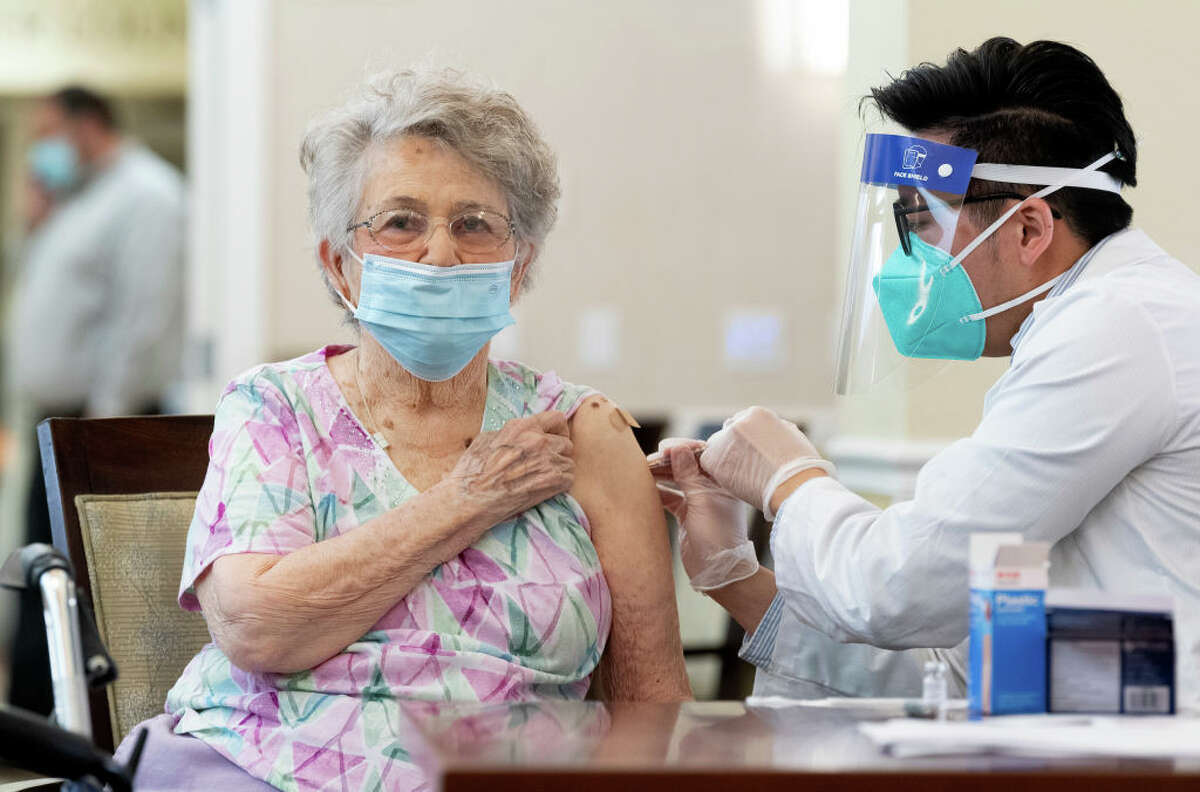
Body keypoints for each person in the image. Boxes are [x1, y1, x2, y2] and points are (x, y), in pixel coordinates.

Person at [115, 68, 691, 791]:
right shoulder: (273, 407)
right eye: (401, 222)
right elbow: (256, 627)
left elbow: (650, 704)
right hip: (259, 767)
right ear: (341, 266)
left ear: (519, 266)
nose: (441, 253)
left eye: (475, 224)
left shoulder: (583, 433)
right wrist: (468, 498)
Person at [654, 38, 1200, 710]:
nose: (906, 261)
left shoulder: (1120, 328)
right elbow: (980, 672)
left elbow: (899, 586)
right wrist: (735, 577)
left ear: (1029, 229)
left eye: (921, 222)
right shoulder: (1100, 327)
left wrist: (788, 476)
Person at [6, 86, 185, 714]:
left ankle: (86, 733)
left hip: (99, 422)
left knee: (92, 587)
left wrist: (103, 429)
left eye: (50, 130)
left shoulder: (148, 195)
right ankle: (37, 727)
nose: (41, 147)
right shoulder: (79, 201)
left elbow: (144, 320)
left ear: (90, 126)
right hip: (57, 421)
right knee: (43, 578)